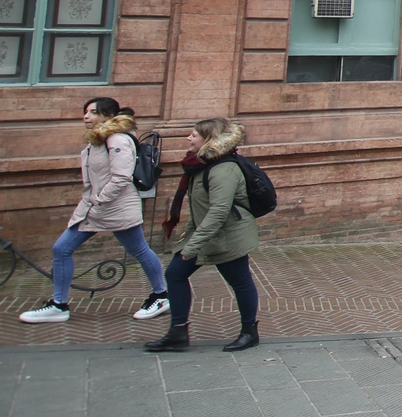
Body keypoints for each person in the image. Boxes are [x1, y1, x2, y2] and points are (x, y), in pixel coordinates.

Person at [19, 98, 170, 325]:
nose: (86, 116)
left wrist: (100, 199)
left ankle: (161, 295)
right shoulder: (97, 139)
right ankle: (58, 305)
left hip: (115, 208)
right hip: (94, 208)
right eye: (85, 112)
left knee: (139, 249)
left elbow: (121, 177)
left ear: (108, 116)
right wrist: (94, 201)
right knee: (61, 249)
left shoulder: (117, 138)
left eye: (92, 112)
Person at [145, 119, 261, 353]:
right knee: (175, 273)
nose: (188, 138)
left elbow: (218, 212)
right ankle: (178, 332)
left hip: (229, 237)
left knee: (239, 282)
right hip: (207, 234)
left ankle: (250, 332)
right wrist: (188, 236)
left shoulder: (223, 169)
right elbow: (201, 207)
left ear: (209, 140)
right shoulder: (200, 165)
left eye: (193, 135)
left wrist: (192, 245)